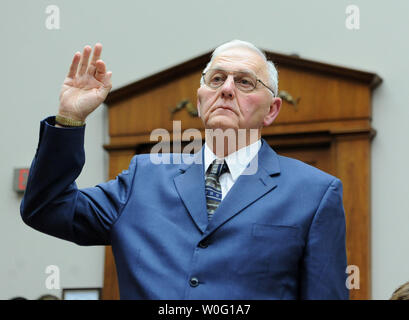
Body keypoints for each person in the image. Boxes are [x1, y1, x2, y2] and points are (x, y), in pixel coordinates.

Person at [21, 40, 348, 300]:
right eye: (217, 79)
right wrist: (69, 119)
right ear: (201, 98)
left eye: (245, 82)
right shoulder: (144, 177)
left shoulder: (314, 192)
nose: (227, 88)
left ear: (272, 110)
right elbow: (46, 208)